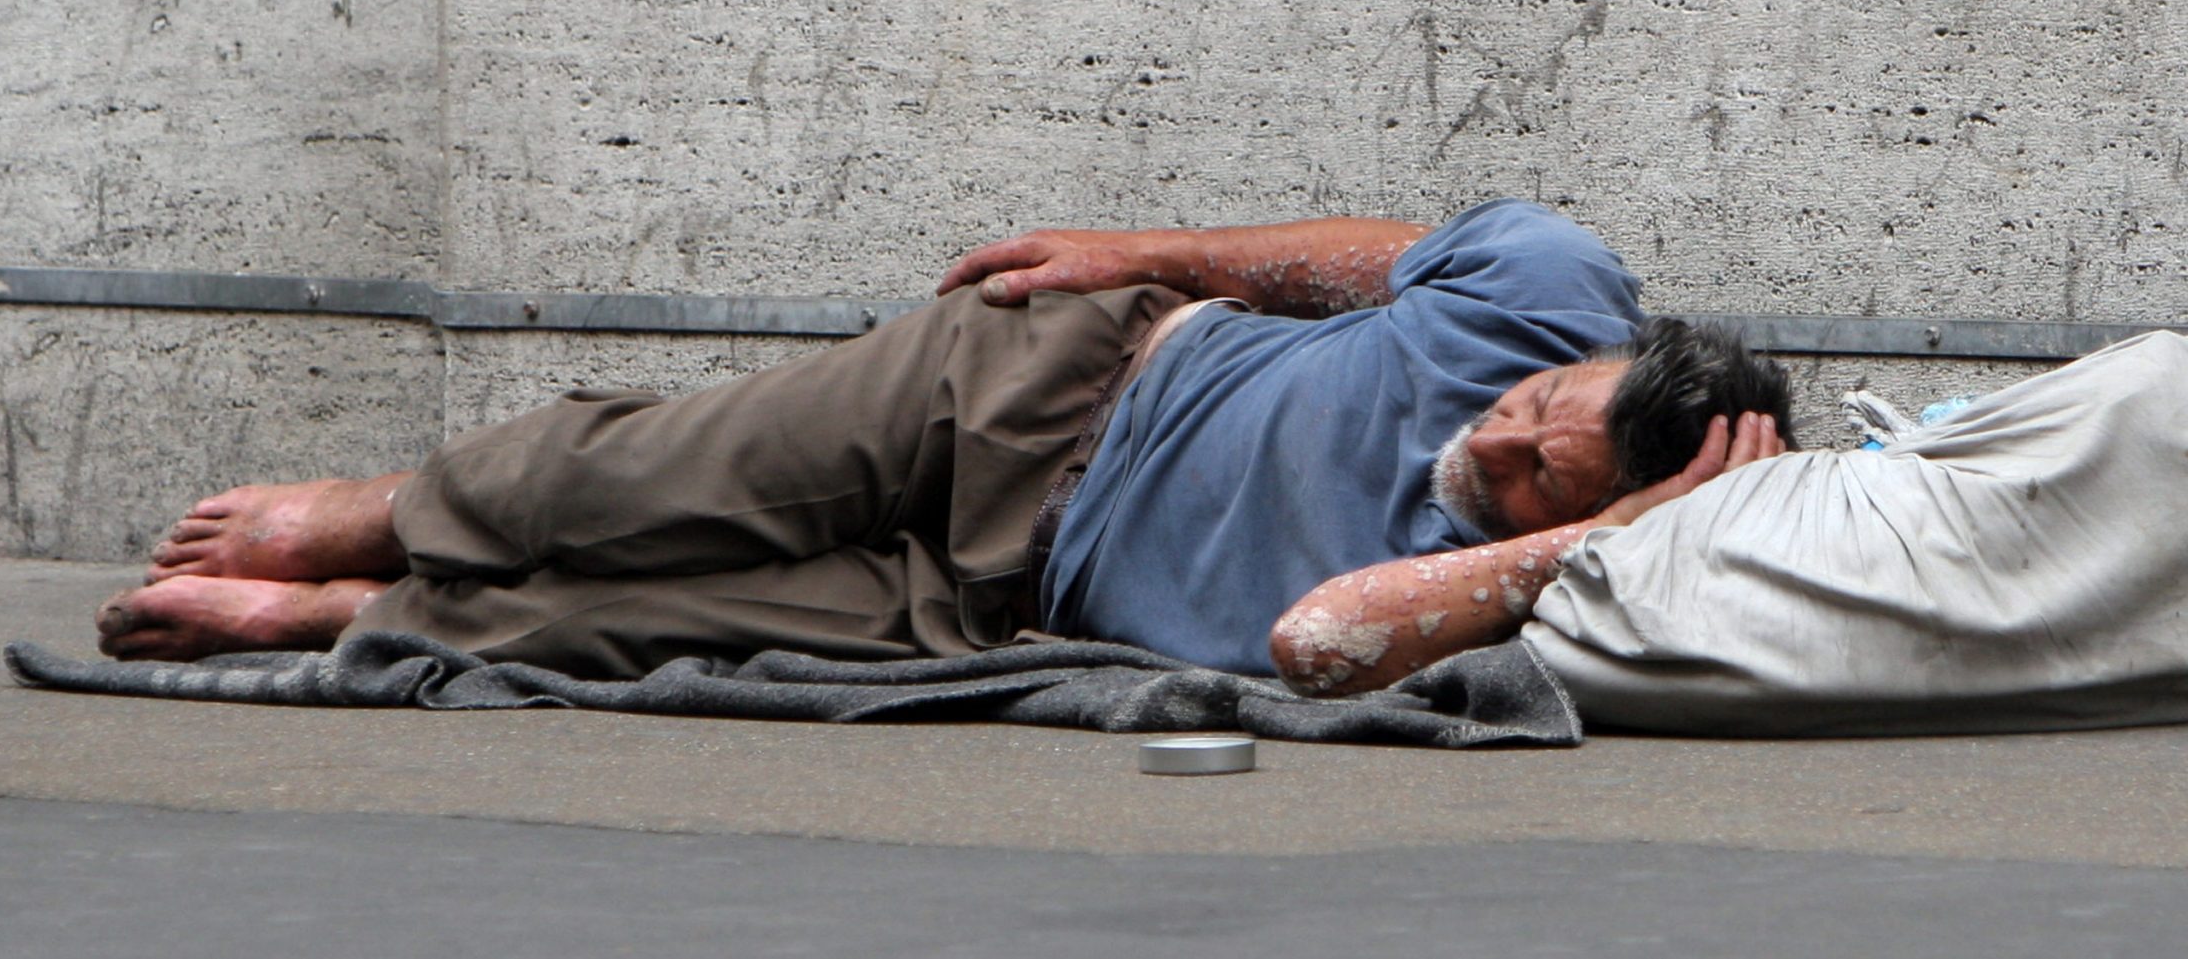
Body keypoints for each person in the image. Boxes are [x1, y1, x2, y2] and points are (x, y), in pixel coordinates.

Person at [96, 200, 1795, 696]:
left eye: (1540, 470)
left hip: (1013, 589)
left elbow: (1326, 638)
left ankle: (350, 617)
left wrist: (1598, 538)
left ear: (1615, 504)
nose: (1501, 443)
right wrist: (1158, 256)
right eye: (1526, 408)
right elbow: (1379, 253)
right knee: (654, 476)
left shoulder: (1525, 584)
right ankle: (363, 516)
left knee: (671, 619)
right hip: (1058, 385)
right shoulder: (1553, 291)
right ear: (1590, 353)